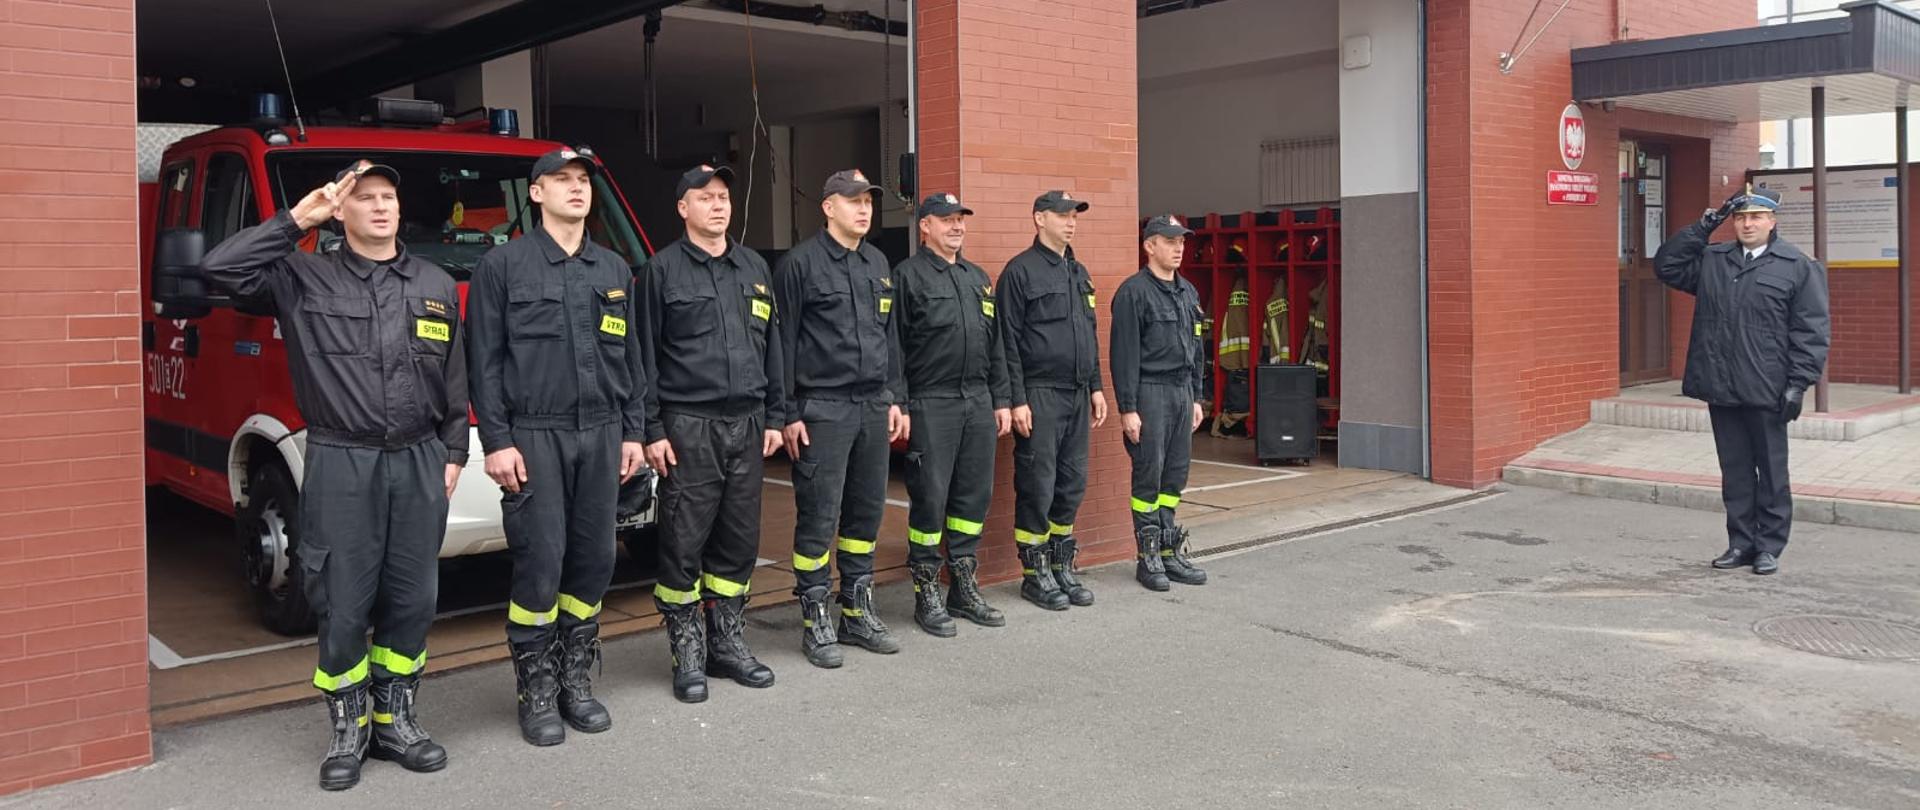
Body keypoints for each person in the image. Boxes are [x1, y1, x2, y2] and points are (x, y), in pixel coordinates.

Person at [202, 161, 466, 790]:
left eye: (389, 199)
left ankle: (395, 719)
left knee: (414, 596)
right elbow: (220, 269)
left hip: (420, 459)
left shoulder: (432, 282)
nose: (380, 208)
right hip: (342, 459)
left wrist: (452, 452)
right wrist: (297, 218)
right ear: (340, 211)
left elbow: (454, 377)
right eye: (365, 198)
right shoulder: (302, 277)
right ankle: (349, 728)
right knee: (343, 599)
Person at [467, 148, 648, 744]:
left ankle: (575, 677)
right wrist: (496, 441)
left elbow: (633, 360)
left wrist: (633, 433)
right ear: (536, 193)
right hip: (534, 434)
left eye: (583, 182)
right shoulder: (504, 267)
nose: (576, 190)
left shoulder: (613, 269)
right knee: (541, 563)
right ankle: (536, 686)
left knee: (595, 559)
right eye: (562, 181)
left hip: (601, 433)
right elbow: (484, 363)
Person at [637, 165, 784, 702]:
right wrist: (652, 428)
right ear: (684, 209)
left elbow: (775, 348)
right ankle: (688, 651)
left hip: (746, 422)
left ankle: (727, 644)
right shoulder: (661, 272)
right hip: (688, 423)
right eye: (705, 198)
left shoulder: (753, 267)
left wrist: (775, 415)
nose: (718, 206)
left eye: (723, 197)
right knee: (683, 539)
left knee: (739, 539)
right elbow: (644, 358)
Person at [1654, 186, 1830, 576]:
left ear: (1772, 221)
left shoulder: (1797, 266)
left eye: (1756, 217)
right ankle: (1740, 543)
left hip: (1767, 387)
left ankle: (1768, 547)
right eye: (1740, 218)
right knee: (1734, 471)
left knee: (1770, 471)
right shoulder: (1714, 260)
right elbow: (1667, 266)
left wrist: (1798, 383)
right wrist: (1704, 226)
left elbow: (1811, 331)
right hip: (1722, 383)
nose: (1747, 224)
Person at [775, 169, 910, 667]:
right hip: (822, 407)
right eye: (853, 201)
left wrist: (896, 397)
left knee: (864, 515)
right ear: (828, 207)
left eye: (869, 202)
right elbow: (782, 344)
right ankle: (816, 621)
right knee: (818, 517)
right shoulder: (800, 265)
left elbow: (889, 338)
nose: (864, 209)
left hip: (873, 405)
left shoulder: (877, 262)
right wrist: (787, 411)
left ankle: (856, 612)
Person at [892, 193, 1011, 636]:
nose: (956, 227)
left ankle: (962, 587)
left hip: (977, 402)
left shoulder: (976, 278)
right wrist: (899, 403)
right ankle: (926, 592)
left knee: (971, 498)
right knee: (931, 498)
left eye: (960, 219)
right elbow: (894, 347)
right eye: (946, 220)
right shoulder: (907, 277)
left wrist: (1001, 398)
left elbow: (995, 344)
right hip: (931, 402)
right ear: (925, 226)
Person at [995, 190, 1107, 611]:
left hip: (1077, 394)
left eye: (1075, 214)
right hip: (1039, 394)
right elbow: (1007, 341)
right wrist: (1017, 399)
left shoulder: (1078, 272)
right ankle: (1034, 571)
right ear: (1039, 218)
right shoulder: (1020, 272)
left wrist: (1096, 386)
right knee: (1037, 484)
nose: (1071, 221)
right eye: (1062, 215)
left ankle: (1061, 562)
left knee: (1071, 482)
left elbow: (1089, 335)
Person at [1111, 216, 1210, 591]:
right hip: (1150, 393)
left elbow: (1197, 348)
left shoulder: (1188, 293)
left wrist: (1197, 396)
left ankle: (1169, 551)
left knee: (1174, 477)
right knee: (1148, 476)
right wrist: (1128, 408)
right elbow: (1124, 356)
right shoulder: (1133, 293)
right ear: (1149, 246)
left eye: (1181, 240)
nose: (1178, 247)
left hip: (1181, 393)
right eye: (1169, 241)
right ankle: (1148, 556)